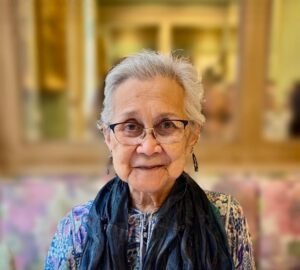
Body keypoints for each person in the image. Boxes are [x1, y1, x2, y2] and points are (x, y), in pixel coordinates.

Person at [45, 51, 255, 269]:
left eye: (166, 125)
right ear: (109, 137)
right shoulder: (77, 227)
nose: (148, 147)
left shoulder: (226, 216)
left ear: (191, 135)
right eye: (130, 126)